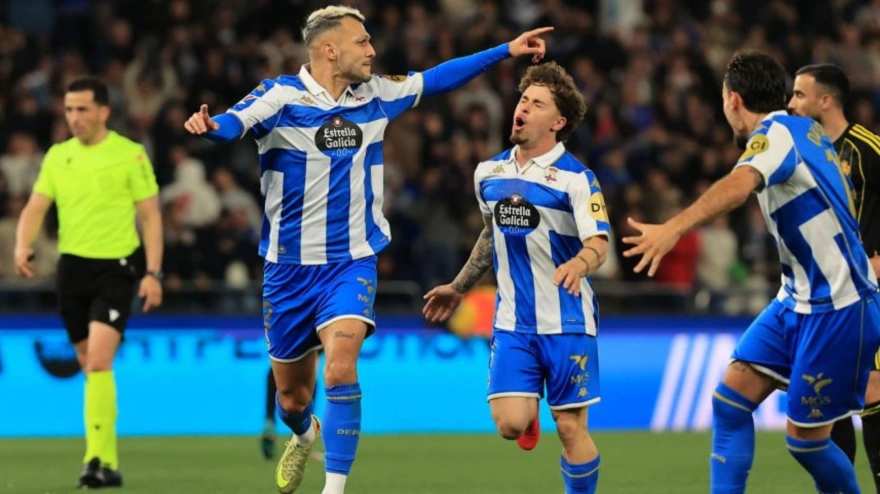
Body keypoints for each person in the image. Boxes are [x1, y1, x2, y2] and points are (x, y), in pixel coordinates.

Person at [183, 5, 552, 493]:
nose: (373, 50)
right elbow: (233, 121)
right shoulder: (280, 96)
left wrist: (505, 50)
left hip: (351, 262)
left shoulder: (376, 95)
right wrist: (212, 129)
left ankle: (333, 488)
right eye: (362, 42)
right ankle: (306, 433)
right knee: (292, 400)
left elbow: (438, 78)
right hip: (288, 270)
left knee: (340, 368)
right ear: (329, 49)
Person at [622, 50, 880, 494]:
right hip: (796, 299)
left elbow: (739, 186)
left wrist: (672, 229)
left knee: (806, 444)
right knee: (729, 402)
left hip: (838, 306)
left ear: (733, 100)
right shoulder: (806, 130)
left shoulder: (776, 134)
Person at [423, 61, 607, 494]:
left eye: (537, 103)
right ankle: (527, 421)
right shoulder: (488, 174)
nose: (522, 107)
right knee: (509, 425)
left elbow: (599, 242)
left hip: (568, 321)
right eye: (523, 99)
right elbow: (491, 235)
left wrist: (580, 263)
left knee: (570, 427)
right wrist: (458, 285)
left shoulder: (578, 180)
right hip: (513, 325)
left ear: (557, 122)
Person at [14, 76, 163, 489]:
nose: (73, 117)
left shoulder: (130, 155)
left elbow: (150, 216)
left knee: (98, 361)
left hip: (116, 270)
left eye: (82, 109)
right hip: (71, 272)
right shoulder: (57, 156)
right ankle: (107, 463)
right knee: (90, 367)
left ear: (103, 112)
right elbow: (35, 206)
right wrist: (21, 246)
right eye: (68, 109)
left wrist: (153, 273)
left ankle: (96, 458)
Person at [788, 63, 880, 492]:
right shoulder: (804, 156)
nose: (791, 104)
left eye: (800, 95)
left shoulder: (868, 151)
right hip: (826, 297)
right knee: (834, 400)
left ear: (826, 100)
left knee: (875, 386)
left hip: (871, 291)